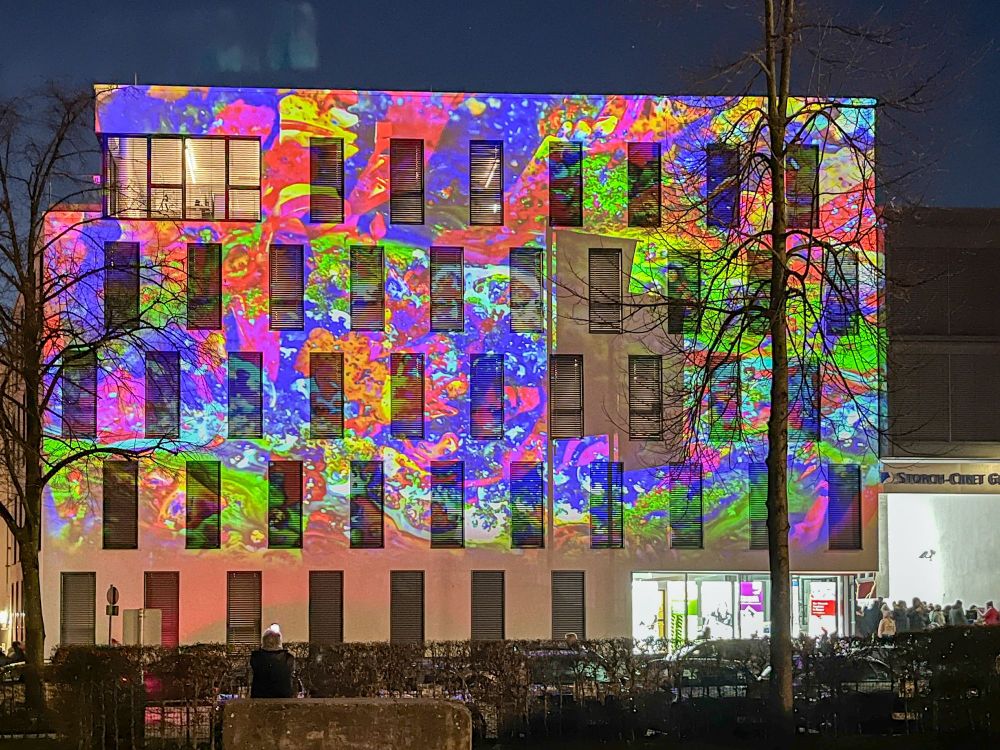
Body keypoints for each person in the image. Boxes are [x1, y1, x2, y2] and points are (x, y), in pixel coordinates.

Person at [249, 625, 296, 699]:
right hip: (284, 698)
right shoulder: (288, 658)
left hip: (260, 697)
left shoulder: (256, 658)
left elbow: (250, 678)